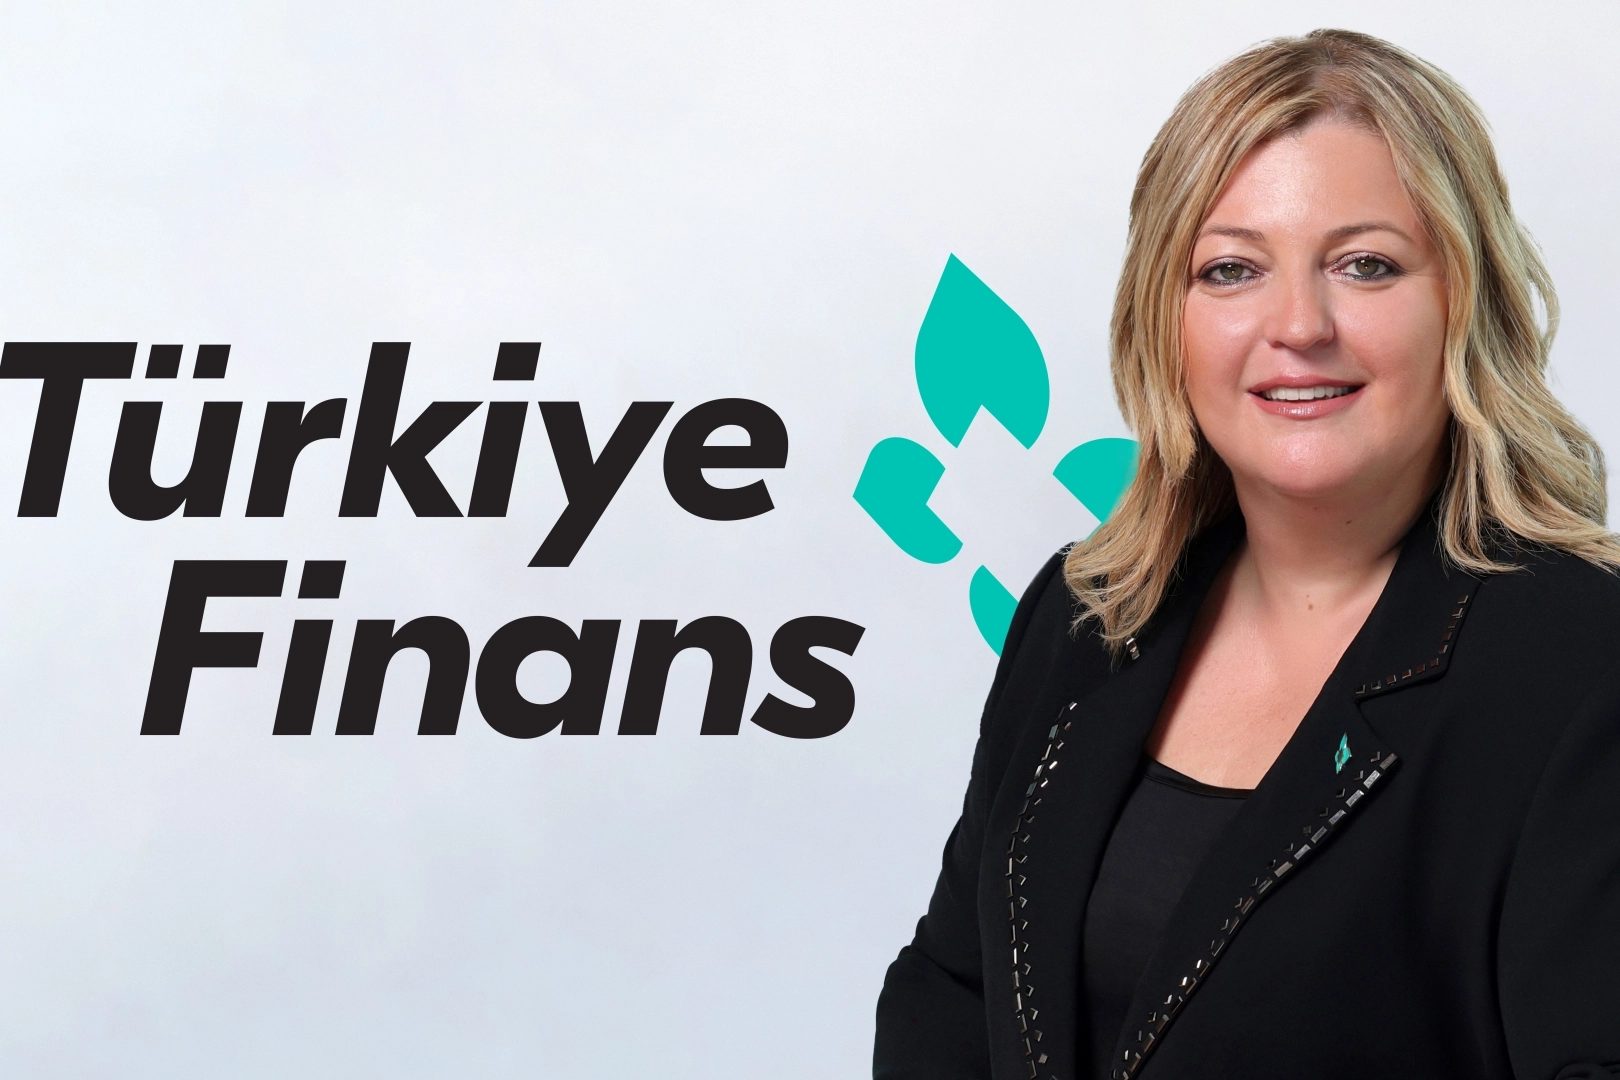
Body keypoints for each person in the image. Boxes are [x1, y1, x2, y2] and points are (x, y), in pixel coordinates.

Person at [873, 29, 1620, 1080]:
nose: (1299, 325)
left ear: (1466, 302)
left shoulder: (1583, 661)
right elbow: (956, 990)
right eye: (1231, 270)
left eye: (1366, 265)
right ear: (1165, 320)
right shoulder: (1086, 613)